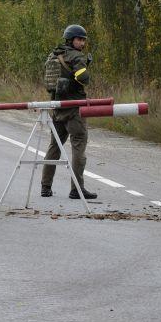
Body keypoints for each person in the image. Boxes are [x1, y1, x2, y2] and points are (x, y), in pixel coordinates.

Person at [41, 24, 97, 199]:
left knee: (54, 147)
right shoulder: (76, 56)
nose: (82, 43)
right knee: (78, 146)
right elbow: (84, 79)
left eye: (83, 40)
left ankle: (45, 187)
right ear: (71, 39)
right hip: (73, 110)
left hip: (57, 107)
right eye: (79, 39)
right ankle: (76, 189)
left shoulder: (53, 55)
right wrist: (85, 65)